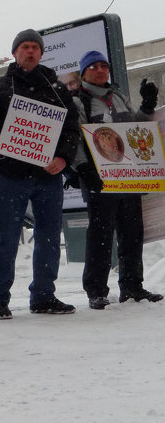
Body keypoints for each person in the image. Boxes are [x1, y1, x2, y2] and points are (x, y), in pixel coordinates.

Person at [0, 29, 82, 319]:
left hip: (49, 176)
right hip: (11, 176)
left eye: (35, 47)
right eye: (25, 46)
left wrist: (63, 157)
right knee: (5, 237)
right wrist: (5, 153)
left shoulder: (57, 89)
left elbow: (71, 128)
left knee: (48, 237)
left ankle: (44, 295)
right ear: (15, 52)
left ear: (41, 52)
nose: (30, 51)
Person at [70, 50, 163, 309]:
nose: (100, 70)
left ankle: (132, 287)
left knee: (132, 233)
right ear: (84, 72)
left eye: (104, 66)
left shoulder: (118, 96)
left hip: (127, 177)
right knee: (100, 235)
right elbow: (75, 138)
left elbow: (137, 130)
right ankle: (96, 290)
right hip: (100, 179)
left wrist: (147, 104)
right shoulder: (80, 101)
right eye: (94, 67)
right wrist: (83, 168)